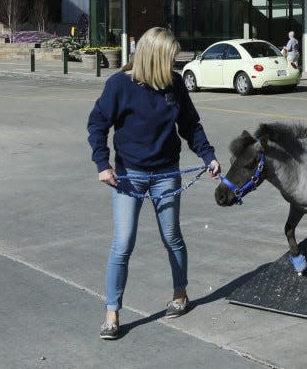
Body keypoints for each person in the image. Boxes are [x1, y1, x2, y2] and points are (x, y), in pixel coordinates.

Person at [87, 26, 220, 340]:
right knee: (123, 244)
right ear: (153, 57)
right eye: (170, 59)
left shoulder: (173, 84)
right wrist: (102, 164)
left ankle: (180, 294)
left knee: (172, 236)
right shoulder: (120, 85)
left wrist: (208, 155)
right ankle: (112, 312)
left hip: (166, 175)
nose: (174, 65)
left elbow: (190, 124)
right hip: (128, 176)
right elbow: (97, 123)